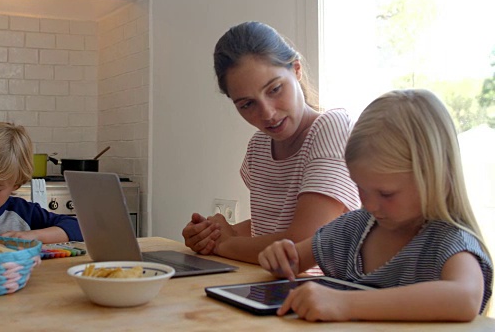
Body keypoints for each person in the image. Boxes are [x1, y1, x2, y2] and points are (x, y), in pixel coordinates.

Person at [258, 89, 493, 321]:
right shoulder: (354, 229)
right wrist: (281, 258)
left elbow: (465, 298)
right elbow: (295, 259)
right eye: (360, 187)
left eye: (386, 193)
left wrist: (345, 303)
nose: (369, 204)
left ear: (434, 178)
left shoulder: (449, 242)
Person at [182, 21, 360, 264]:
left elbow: (302, 243)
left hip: (322, 293)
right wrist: (212, 235)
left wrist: (224, 244)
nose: (266, 113)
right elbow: (269, 228)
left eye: (275, 89)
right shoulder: (259, 146)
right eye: (247, 104)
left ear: (296, 70)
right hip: (269, 285)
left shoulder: (332, 127)